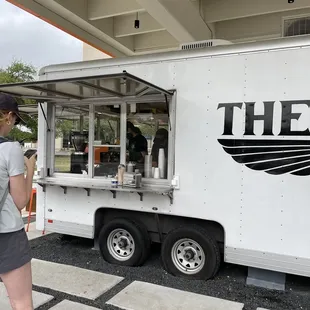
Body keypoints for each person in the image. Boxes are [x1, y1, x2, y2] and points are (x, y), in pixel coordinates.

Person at [0, 93, 36, 310]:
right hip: (7, 235)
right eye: (15, 120)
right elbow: (21, 200)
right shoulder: (10, 148)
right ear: (9, 116)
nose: (13, 125)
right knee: (21, 301)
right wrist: (29, 170)